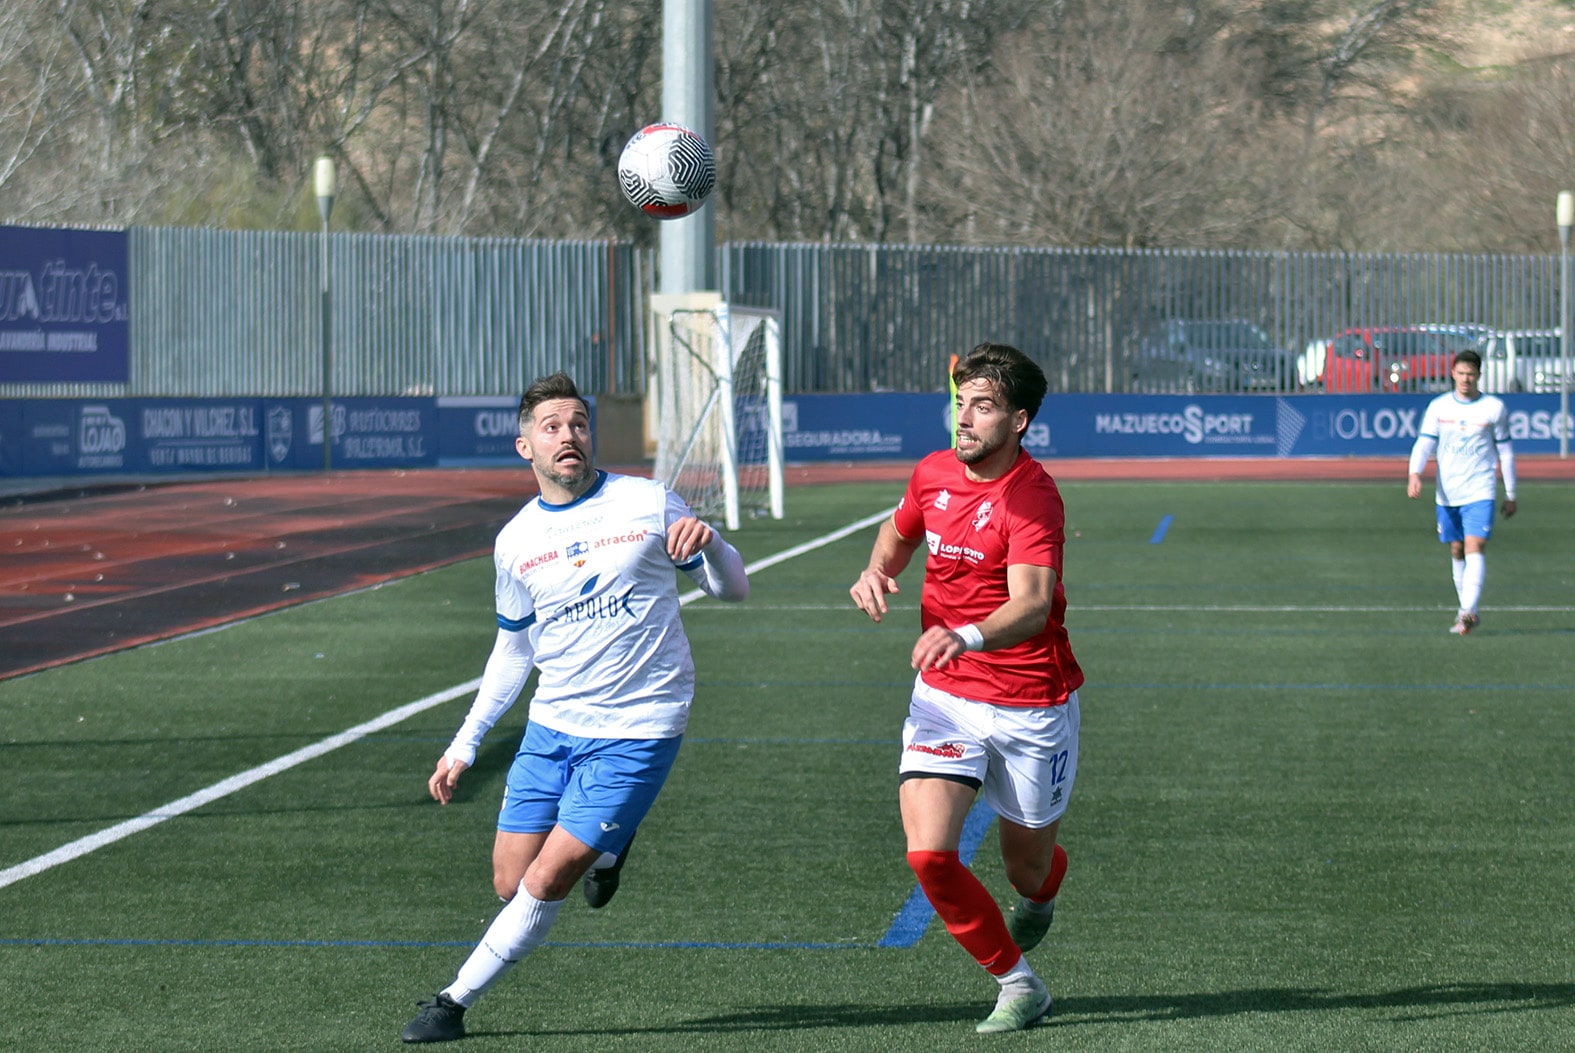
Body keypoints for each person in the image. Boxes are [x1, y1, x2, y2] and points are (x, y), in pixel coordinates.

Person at [400, 372, 749, 1044]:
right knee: (510, 880)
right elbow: (513, 650)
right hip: (553, 724)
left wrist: (712, 547)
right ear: (524, 444)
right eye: (552, 426)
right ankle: (613, 845)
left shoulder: (646, 502)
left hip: (639, 726)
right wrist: (465, 742)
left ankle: (451, 1002)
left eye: (578, 423)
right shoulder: (515, 540)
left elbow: (732, 588)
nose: (569, 435)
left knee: (549, 874)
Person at [848, 343, 1083, 1034]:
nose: (965, 418)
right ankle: (1019, 982)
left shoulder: (1031, 495)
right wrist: (873, 571)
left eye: (982, 407)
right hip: (944, 695)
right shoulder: (931, 474)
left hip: (1030, 702)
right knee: (928, 853)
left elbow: (1033, 603)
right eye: (961, 403)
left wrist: (969, 633)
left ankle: (1039, 896)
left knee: (1026, 867)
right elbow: (896, 535)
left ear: (1018, 421)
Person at [1406, 349, 1516, 635]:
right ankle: (1469, 611)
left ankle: (1467, 611)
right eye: (1461, 373)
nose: (1466, 378)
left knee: (1474, 546)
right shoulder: (1439, 407)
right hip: (1448, 492)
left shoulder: (1493, 408)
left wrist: (1511, 493)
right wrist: (1414, 474)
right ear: (1452, 373)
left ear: (1479, 375)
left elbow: (1505, 453)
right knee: (1456, 550)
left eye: (1471, 374)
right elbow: (1424, 444)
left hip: (1480, 489)